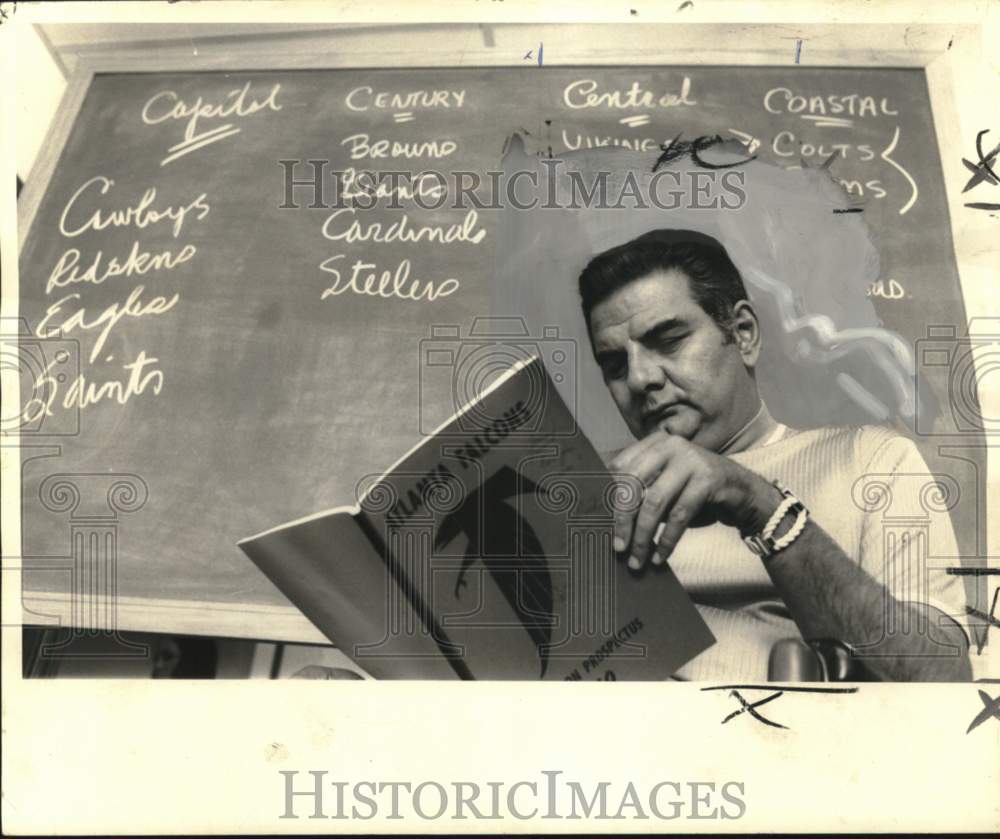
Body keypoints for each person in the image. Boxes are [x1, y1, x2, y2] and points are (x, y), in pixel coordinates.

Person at [579, 228, 971, 681]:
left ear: (743, 334)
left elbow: (942, 679)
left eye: (668, 340)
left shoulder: (875, 461)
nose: (640, 377)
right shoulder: (594, 490)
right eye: (614, 364)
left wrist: (758, 504)